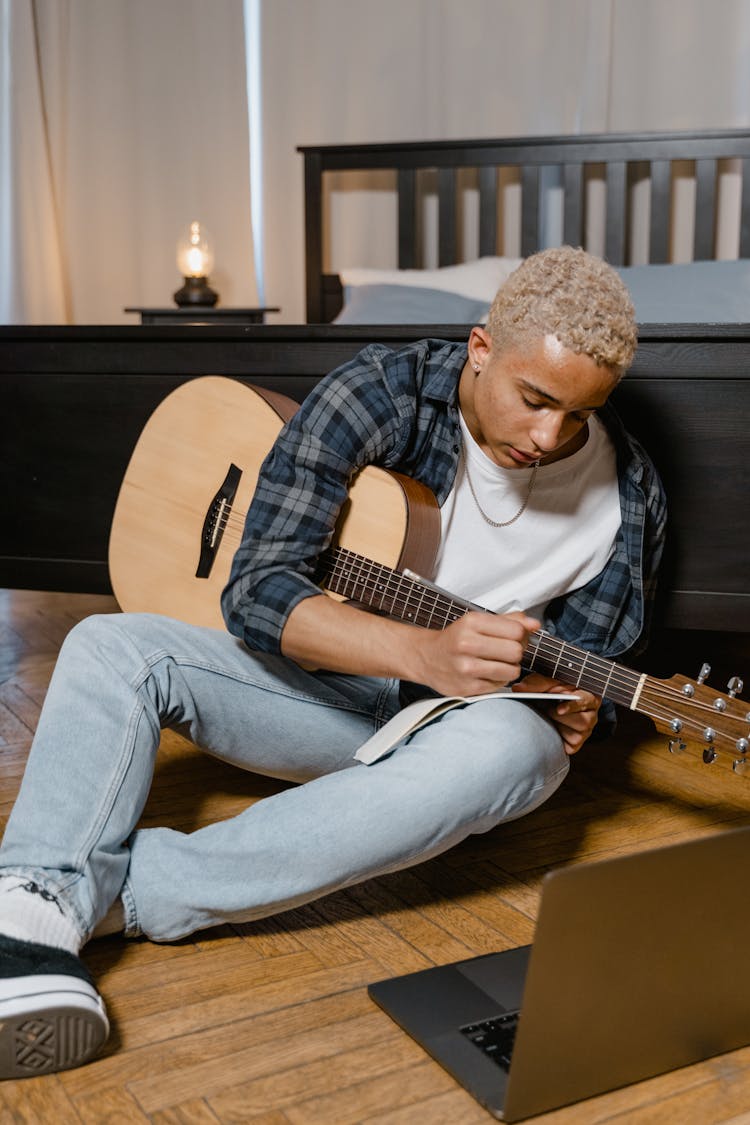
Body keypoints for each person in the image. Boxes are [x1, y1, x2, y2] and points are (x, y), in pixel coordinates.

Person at [0, 246, 666, 1078]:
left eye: (579, 415)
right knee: (109, 644)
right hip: (314, 693)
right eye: (534, 400)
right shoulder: (382, 391)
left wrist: (571, 705)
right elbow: (258, 588)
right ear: (481, 347)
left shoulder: (627, 493)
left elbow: (589, 676)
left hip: (458, 734)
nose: (549, 435)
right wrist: (426, 649)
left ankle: (70, 900)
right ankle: (38, 905)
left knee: (517, 751)